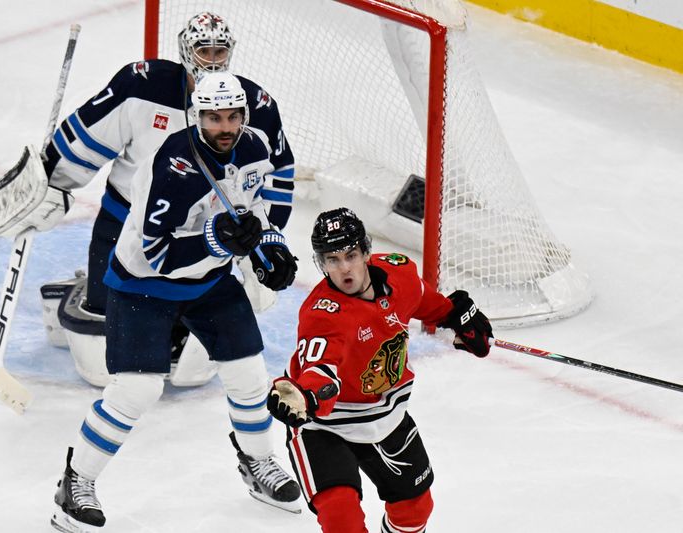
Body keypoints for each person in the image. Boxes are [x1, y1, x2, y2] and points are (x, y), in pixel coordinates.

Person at [50, 71, 300, 533]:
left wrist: (270, 247)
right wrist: (217, 241)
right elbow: (158, 254)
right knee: (136, 391)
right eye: (213, 118)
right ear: (196, 116)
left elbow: (255, 208)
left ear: (244, 115)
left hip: (209, 282)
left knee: (249, 375)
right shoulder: (171, 166)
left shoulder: (254, 148)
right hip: (143, 286)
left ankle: (259, 463)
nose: (224, 127)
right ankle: (75, 483)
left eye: (232, 116)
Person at [39, 11, 295, 387]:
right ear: (184, 49)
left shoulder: (253, 105)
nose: (211, 58)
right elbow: (89, 136)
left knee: (191, 333)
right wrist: (50, 179)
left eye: (218, 50)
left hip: (207, 234)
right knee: (102, 340)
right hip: (124, 222)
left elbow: (275, 177)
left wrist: (259, 244)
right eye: (202, 49)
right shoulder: (142, 85)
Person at [266, 208, 493, 533]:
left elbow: (422, 299)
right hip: (326, 427)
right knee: (341, 519)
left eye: (350, 255)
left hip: (386, 416)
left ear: (366, 251)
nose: (344, 268)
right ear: (321, 263)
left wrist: (455, 315)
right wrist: (306, 396)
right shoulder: (322, 314)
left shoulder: (398, 272)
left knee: (415, 510)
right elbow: (320, 369)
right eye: (332, 259)